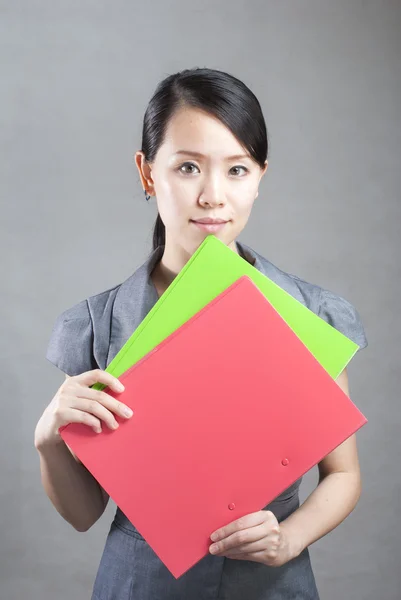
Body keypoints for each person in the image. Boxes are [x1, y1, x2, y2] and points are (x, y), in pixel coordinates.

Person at [34, 67, 368, 600]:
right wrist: (51, 440)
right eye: (188, 167)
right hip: (140, 583)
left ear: (261, 177)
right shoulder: (95, 325)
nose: (213, 196)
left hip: (272, 583)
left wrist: (288, 538)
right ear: (147, 174)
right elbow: (84, 514)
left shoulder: (312, 315)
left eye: (237, 170)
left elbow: (344, 475)